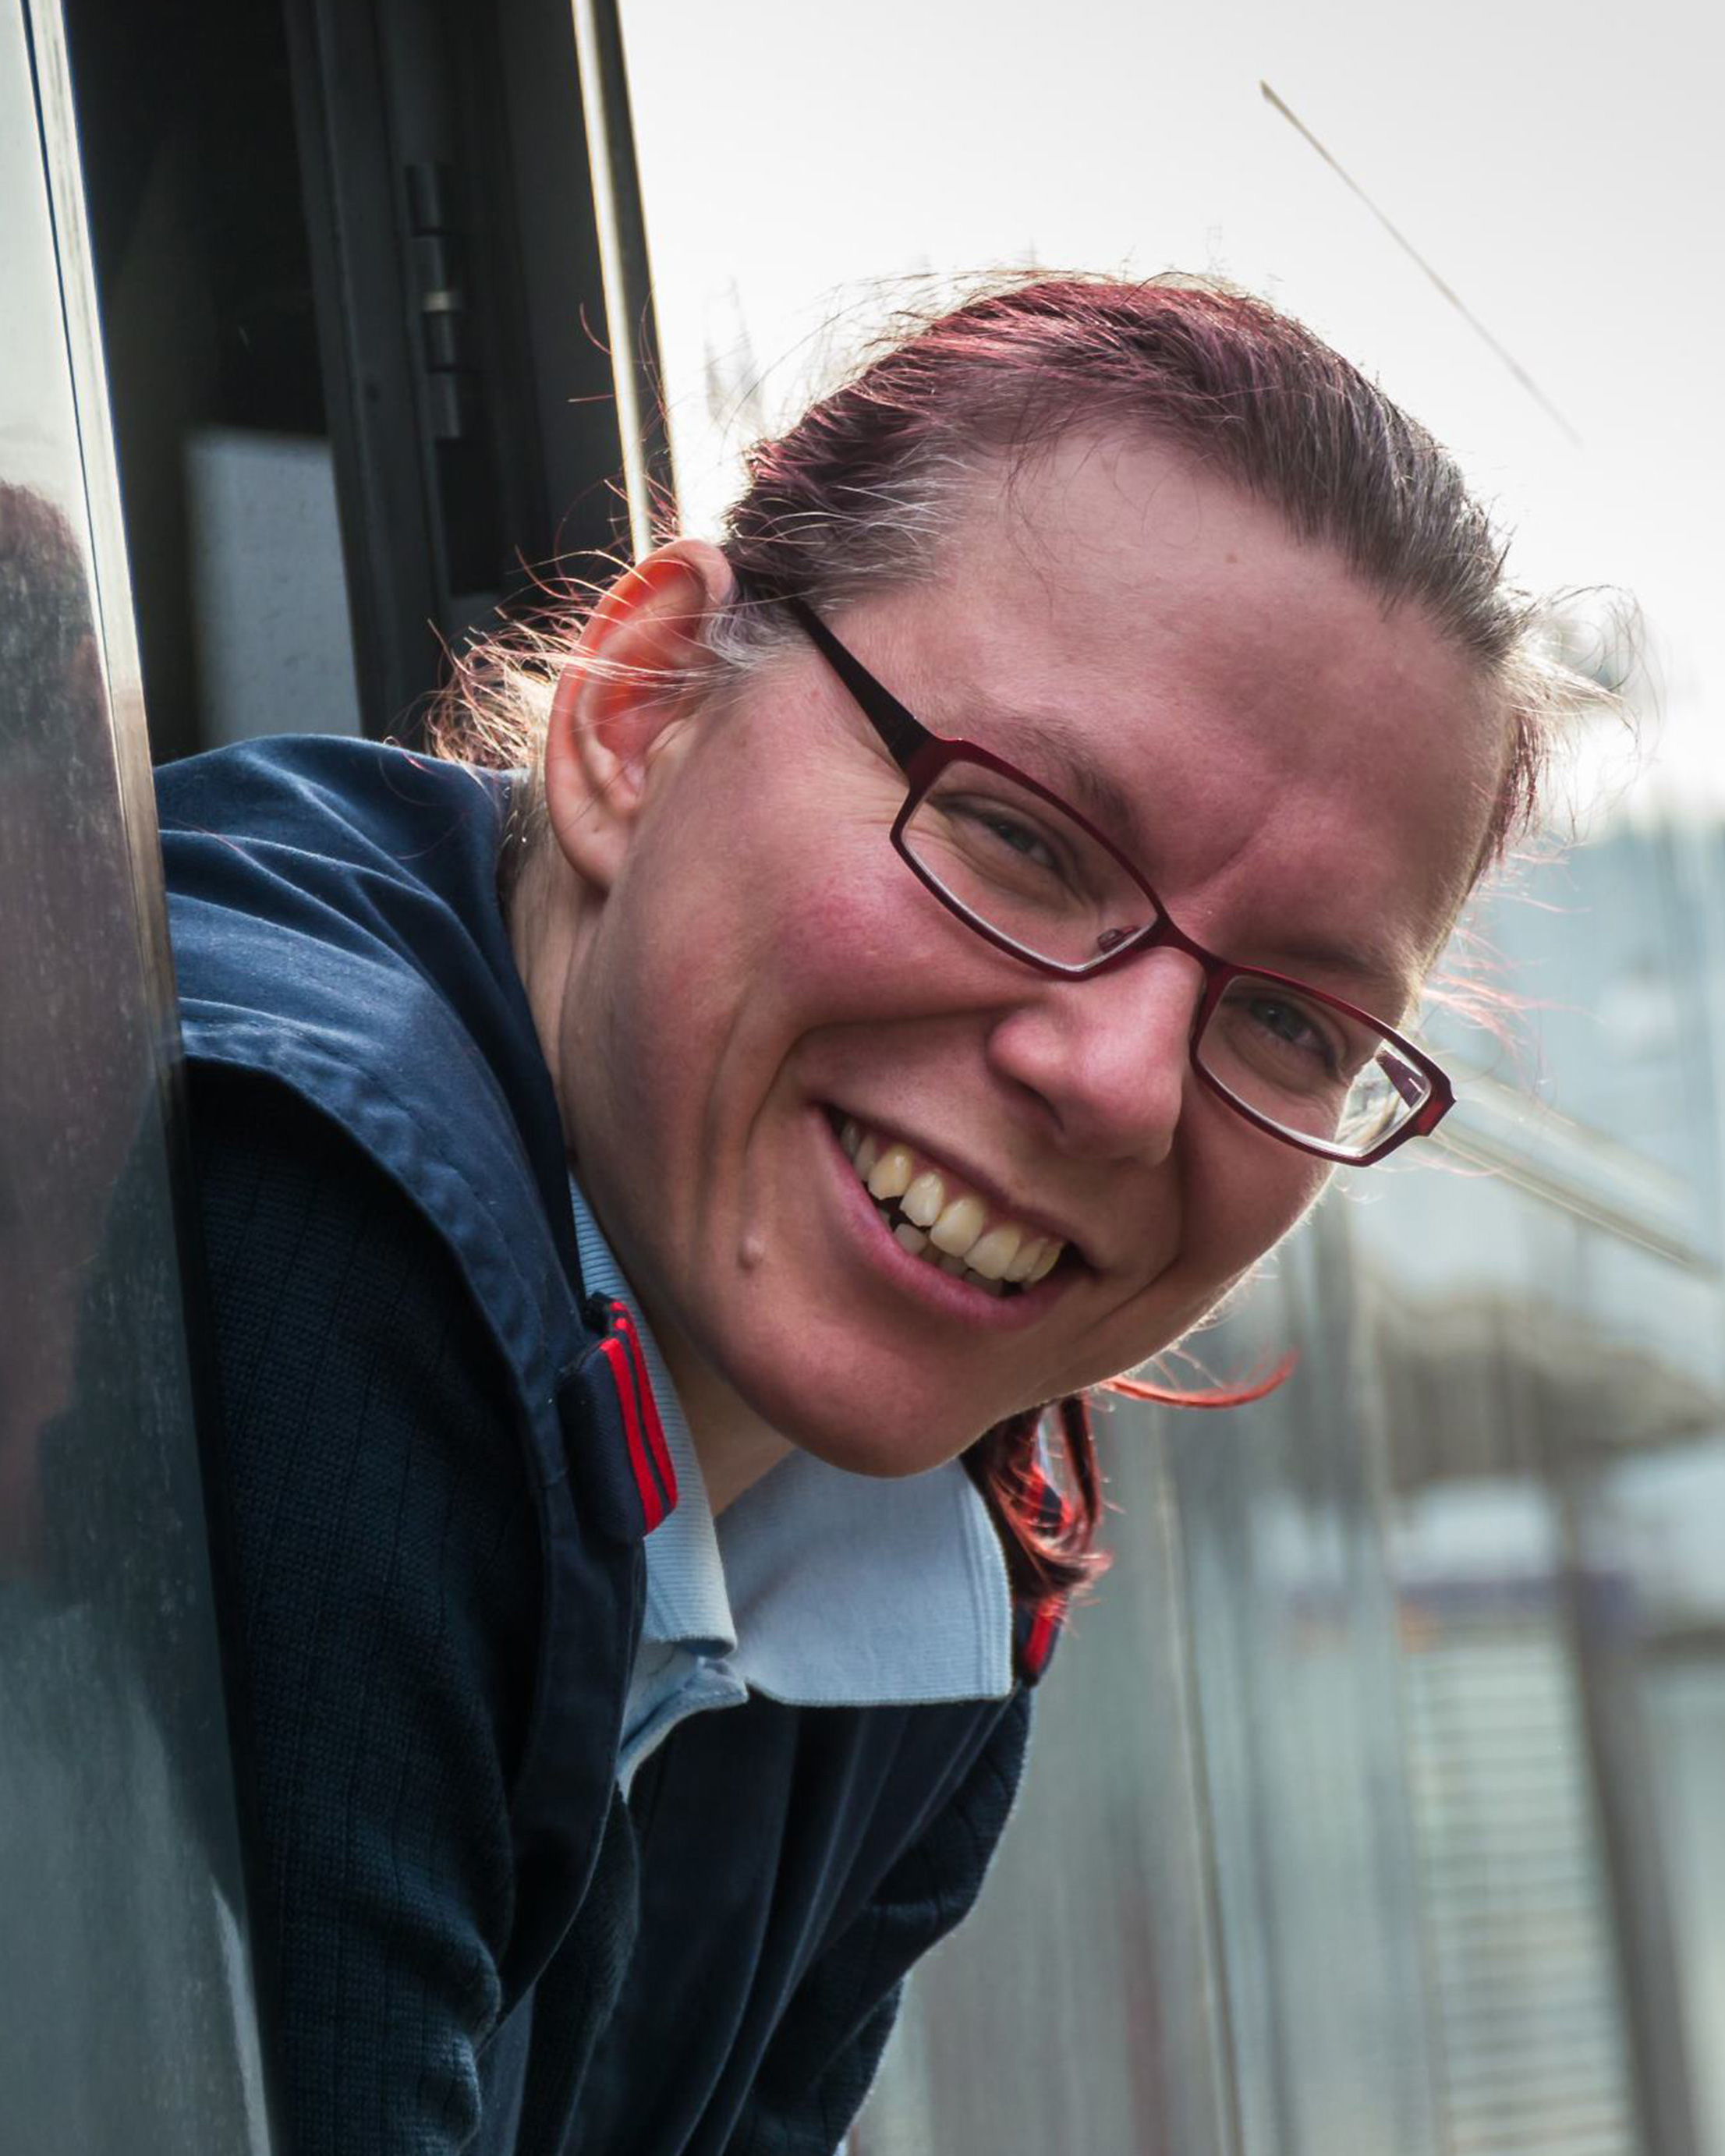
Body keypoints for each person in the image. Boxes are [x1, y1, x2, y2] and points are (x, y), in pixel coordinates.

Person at [158, 275, 1582, 2155]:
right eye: (1018, 836)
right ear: (641, 709)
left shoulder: (931, 1581)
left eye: (1287, 1022)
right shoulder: (303, 1210)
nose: (1123, 1083)